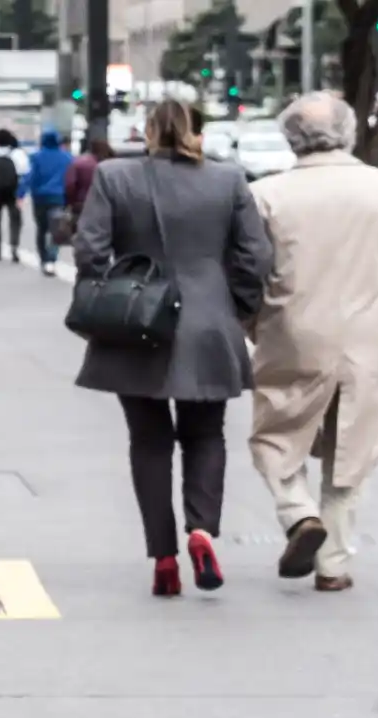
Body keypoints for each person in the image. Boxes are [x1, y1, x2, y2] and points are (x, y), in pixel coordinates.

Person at [72, 99, 273, 597]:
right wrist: (237, 306)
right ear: (197, 133)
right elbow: (256, 256)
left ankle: (163, 556)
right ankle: (202, 530)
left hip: (137, 318)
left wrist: (111, 286)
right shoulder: (228, 180)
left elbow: (90, 249)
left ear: (146, 132)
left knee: (148, 440)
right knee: (206, 434)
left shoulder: (115, 176)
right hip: (209, 320)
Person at [247, 93, 378, 592]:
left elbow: (245, 273)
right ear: (348, 132)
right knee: (351, 451)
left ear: (291, 137)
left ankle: (297, 512)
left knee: (275, 436)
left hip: (291, 332)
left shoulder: (265, 195)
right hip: (368, 338)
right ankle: (333, 563)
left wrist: (256, 324)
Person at [27, 128, 74, 276]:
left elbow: (31, 177)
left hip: (39, 198)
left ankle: (43, 258)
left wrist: (21, 193)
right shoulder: (67, 158)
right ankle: (51, 260)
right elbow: (70, 180)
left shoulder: (36, 157)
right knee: (56, 230)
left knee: (41, 229)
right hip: (58, 198)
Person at [0, 128, 31, 262]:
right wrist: (21, 196)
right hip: (13, 192)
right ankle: (14, 248)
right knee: (15, 221)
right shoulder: (18, 154)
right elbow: (25, 175)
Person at [64, 138, 114, 217]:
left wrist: (71, 202)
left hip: (81, 205)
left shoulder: (78, 162)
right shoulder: (111, 165)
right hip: (104, 207)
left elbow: (70, 185)